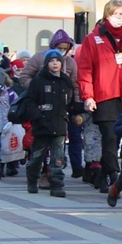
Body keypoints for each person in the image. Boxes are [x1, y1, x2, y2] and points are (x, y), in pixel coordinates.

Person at [76, 0, 122, 193]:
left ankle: (102, 174)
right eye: (115, 14)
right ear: (107, 16)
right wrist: (88, 95)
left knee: (121, 139)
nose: (119, 18)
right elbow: (85, 70)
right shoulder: (93, 39)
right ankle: (114, 174)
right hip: (105, 95)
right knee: (110, 136)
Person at [20, 49, 81, 198]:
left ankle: (57, 184)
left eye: (58, 61)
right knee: (37, 157)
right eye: (52, 61)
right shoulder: (38, 81)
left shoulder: (65, 80)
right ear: (47, 64)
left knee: (58, 158)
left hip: (59, 125)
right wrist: (37, 115)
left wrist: (79, 109)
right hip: (41, 125)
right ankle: (32, 179)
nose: (55, 64)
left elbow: (71, 100)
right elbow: (30, 101)